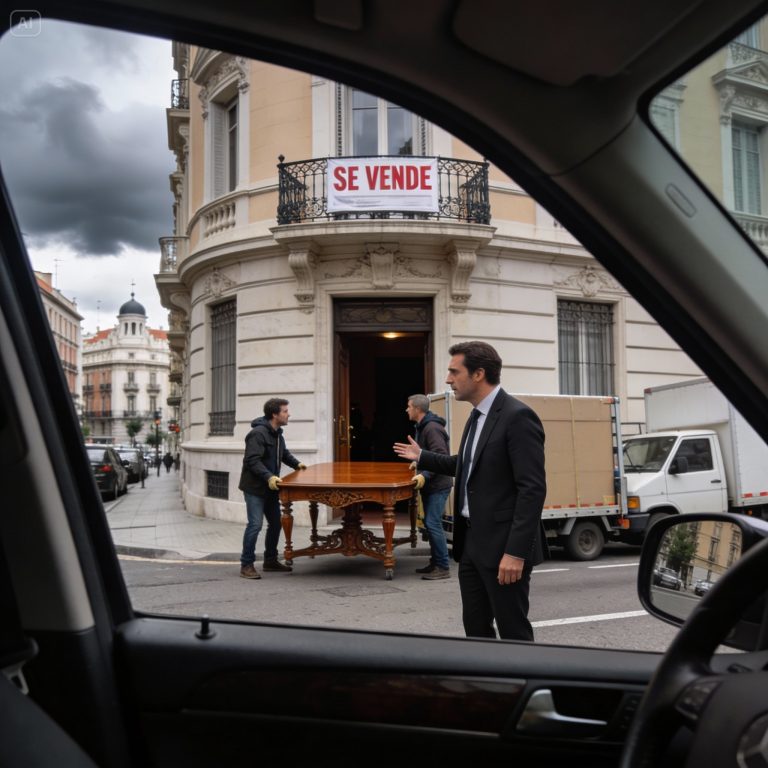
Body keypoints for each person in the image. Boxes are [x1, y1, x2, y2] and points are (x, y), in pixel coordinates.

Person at [394, 341, 546, 641]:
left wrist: (515, 552)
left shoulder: (518, 417)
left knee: (513, 630)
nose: (448, 380)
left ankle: (525, 685)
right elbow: (464, 465)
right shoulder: (476, 416)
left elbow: (532, 489)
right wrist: (423, 457)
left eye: (454, 371)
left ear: (478, 374)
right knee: (476, 629)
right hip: (472, 542)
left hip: (504, 546)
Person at [238, 397, 307, 579]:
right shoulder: (258, 434)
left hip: (271, 487)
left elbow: (283, 454)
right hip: (255, 488)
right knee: (255, 525)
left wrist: (298, 465)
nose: (288, 414)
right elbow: (252, 460)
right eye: (285, 411)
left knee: (276, 523)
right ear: (274, 414)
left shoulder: (277, 434)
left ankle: (270, 561)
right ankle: (246, 564)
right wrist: (268, 476)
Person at [405, 394, 453, 580]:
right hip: (432, 484)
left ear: (418, 409)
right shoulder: (424, 426)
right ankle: (435, 563)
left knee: (433, 524)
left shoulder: (432, 428)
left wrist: (424, 474)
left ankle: (442, 567)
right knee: (430, 523)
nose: (407, 409)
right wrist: (418, 462)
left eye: (409, 406)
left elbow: (441, 456)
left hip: (438, 485)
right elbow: (427, 454)